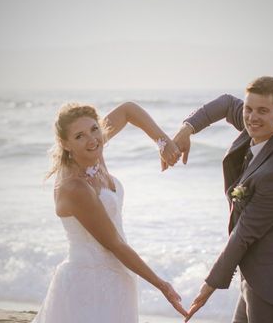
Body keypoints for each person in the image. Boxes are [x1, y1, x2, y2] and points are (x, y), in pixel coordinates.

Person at [171, 76, 273, 323]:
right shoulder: (272, 125)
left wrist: (210, 285)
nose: (251, 117)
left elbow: (245, 232)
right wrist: (187, 129)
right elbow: (227, 104)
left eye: (262, 111)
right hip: (257, 272)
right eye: (249, 109)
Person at [32, 101, 187, 323]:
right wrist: (162, 285)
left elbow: (128, 110)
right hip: (89, 285)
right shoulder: (75, 187)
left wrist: (162, 142)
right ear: (65, 144)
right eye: (79, 136)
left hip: (118, 276)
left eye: (95, 129)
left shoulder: (93, 152)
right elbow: (114, 244)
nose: (92, 139)